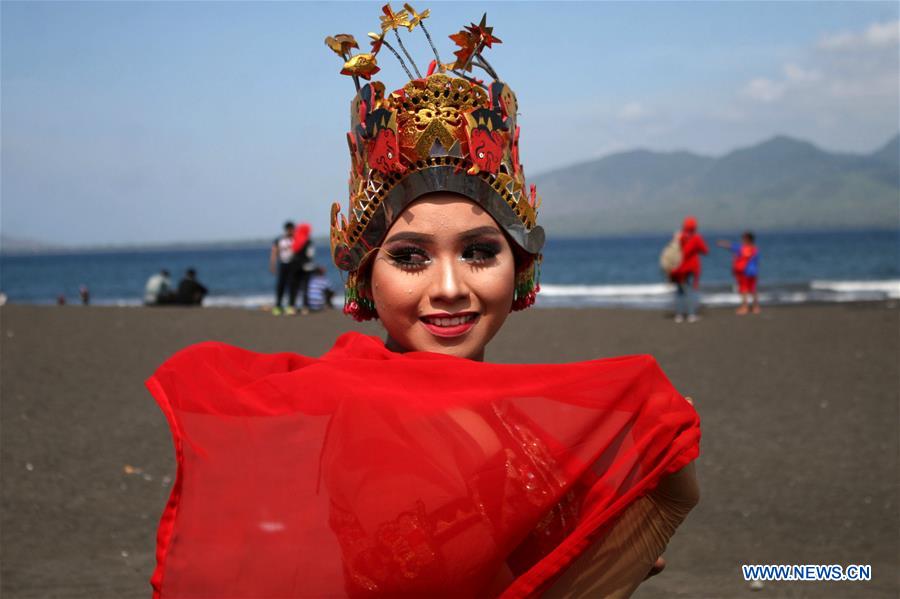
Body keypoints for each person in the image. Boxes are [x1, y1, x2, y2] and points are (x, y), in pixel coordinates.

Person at [146, 8, 700, 598]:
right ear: (363, 276)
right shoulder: (361, 425)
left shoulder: (510, 415)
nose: (449, 287)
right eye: (410, 257)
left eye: (480, 251)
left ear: (522, 265)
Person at [669, 216, 708, 323]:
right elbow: (705, 251)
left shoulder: (679, 236)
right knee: (690, 291)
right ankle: (691, 314)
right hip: (691, 268)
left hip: (677, 268)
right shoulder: (696, 238)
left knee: (679, 291)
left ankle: (679, 315)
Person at [717, 231, 760, 315]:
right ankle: (755, 307)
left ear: (747, 239)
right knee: (753, 289)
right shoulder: (755, 249)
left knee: (744, 290)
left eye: (743, 238)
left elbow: (730, 246)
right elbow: (756, 261)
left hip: (744, 271)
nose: (742, 240)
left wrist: (721, 243)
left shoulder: (742, 248)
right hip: (753, 271)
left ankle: (745, 307)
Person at [270, 221, 297, 315]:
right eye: (289, 229)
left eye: (292, 229)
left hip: (293, 265)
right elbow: (274, 252)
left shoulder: (296, 239)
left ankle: (291, 306)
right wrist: (273, 265)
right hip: (283, 264)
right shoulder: (279, 240)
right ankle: (278, 306)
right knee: (280, 286)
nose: (291, 231)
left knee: (292, 286)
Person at [290, 222, 315, 314]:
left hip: (295, 266)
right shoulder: (308, 242)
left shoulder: (295, 240)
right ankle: (305, 307)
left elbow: (292, 252)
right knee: (305, 287)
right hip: (306, 267)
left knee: (294, 287)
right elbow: (310, 254)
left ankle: (292, 306)